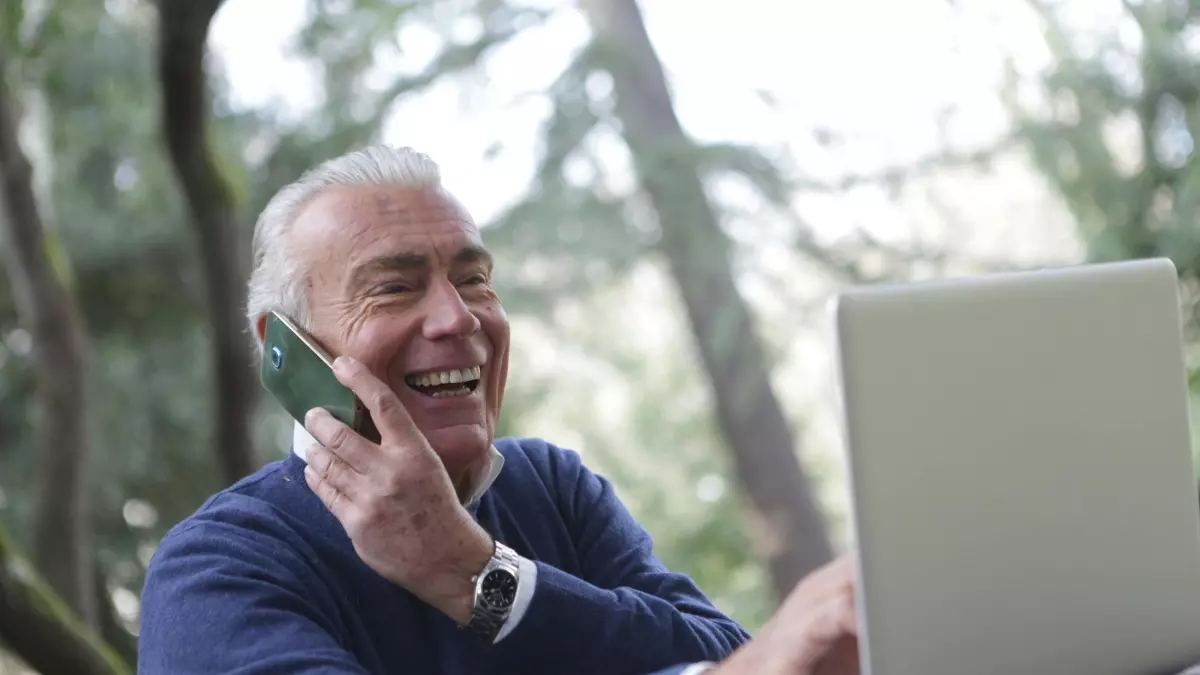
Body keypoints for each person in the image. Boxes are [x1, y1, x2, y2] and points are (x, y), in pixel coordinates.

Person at [137, 144, 858, 675]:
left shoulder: (550, 486)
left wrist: (480, 573)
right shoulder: (218, 567)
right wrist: (477, 585)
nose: (457, 318)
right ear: (284, 349)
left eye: (474, 279)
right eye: (394, 287)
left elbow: (737, 655)